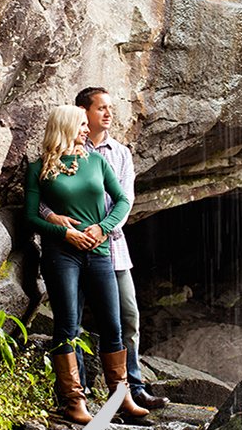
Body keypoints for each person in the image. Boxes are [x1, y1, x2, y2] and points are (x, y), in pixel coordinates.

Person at [40, 87, 169, 410]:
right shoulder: (63, 152)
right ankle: (78, 393)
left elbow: (126, 200)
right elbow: (42, 198)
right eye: (101, 108)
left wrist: (103, 228)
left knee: (127, 318)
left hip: (111, 247)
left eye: (111, 108)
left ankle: (132, 388)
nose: (109, 114)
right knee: (72, 320)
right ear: (83, 113)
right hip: (70, 250)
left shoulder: (120, 153)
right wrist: (54, 218)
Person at [25, 105, 149, 424]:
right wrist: (63, 232)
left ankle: (120, 398)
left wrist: (102, 228)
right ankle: (73, 401)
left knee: (112, 324)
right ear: (65, 127)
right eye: (81, 124)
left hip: (99, 250)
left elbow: (122, 200)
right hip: (61, 254)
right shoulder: (39, 167)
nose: (86, 129)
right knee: (67, 324)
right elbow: (29, 216)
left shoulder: (96, 161)